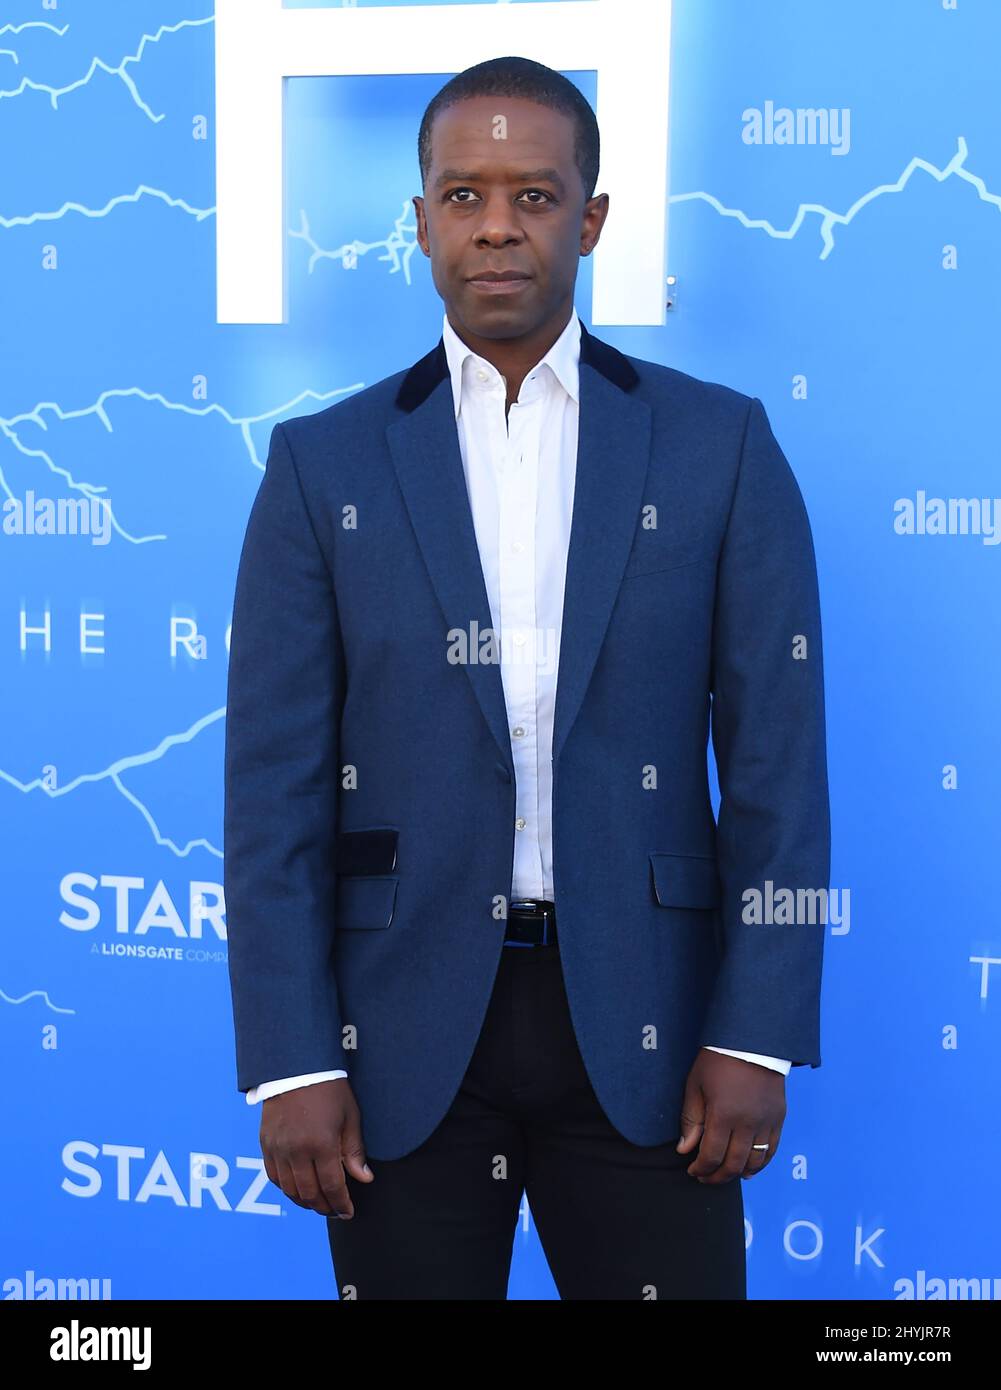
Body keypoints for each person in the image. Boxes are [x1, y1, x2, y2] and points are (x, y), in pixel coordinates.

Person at [223, 55, 830, 1300]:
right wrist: (289, 1059)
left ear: (591, 218)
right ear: (420, 221)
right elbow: (272, 789)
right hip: (395, 1042)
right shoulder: (318, 466)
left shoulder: (717, 445)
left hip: (652, 1042)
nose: (495, 225)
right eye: (461, 195)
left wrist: (754, 1027)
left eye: (535, 195)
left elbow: (776, 762)